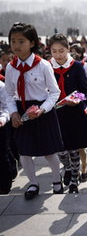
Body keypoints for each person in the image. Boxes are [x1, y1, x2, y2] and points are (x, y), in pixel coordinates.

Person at [5, 22, 64, 199]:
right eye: (13, 41)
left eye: (21, 41)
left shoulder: (43, 65)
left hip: (42, 111)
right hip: (22, 111)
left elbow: (55, 92)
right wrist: (13, 112)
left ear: (32, 43)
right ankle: (32, 183)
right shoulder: (10, 67)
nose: (16, 46)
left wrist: (42, 109)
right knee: (24, 152)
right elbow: (8, 94)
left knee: (48, 151)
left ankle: (56, 180)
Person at [49, 33, 87, 193]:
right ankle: (67, 168)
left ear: (68, 49)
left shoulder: (76, 66)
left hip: (74, 112)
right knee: (61, 150)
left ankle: (74, 180)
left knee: (74, 148)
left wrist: (76, 99)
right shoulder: (48, 67)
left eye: (61, 51)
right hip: (56, 114)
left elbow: (86, 90)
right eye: (54, 51)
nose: (58, 55)